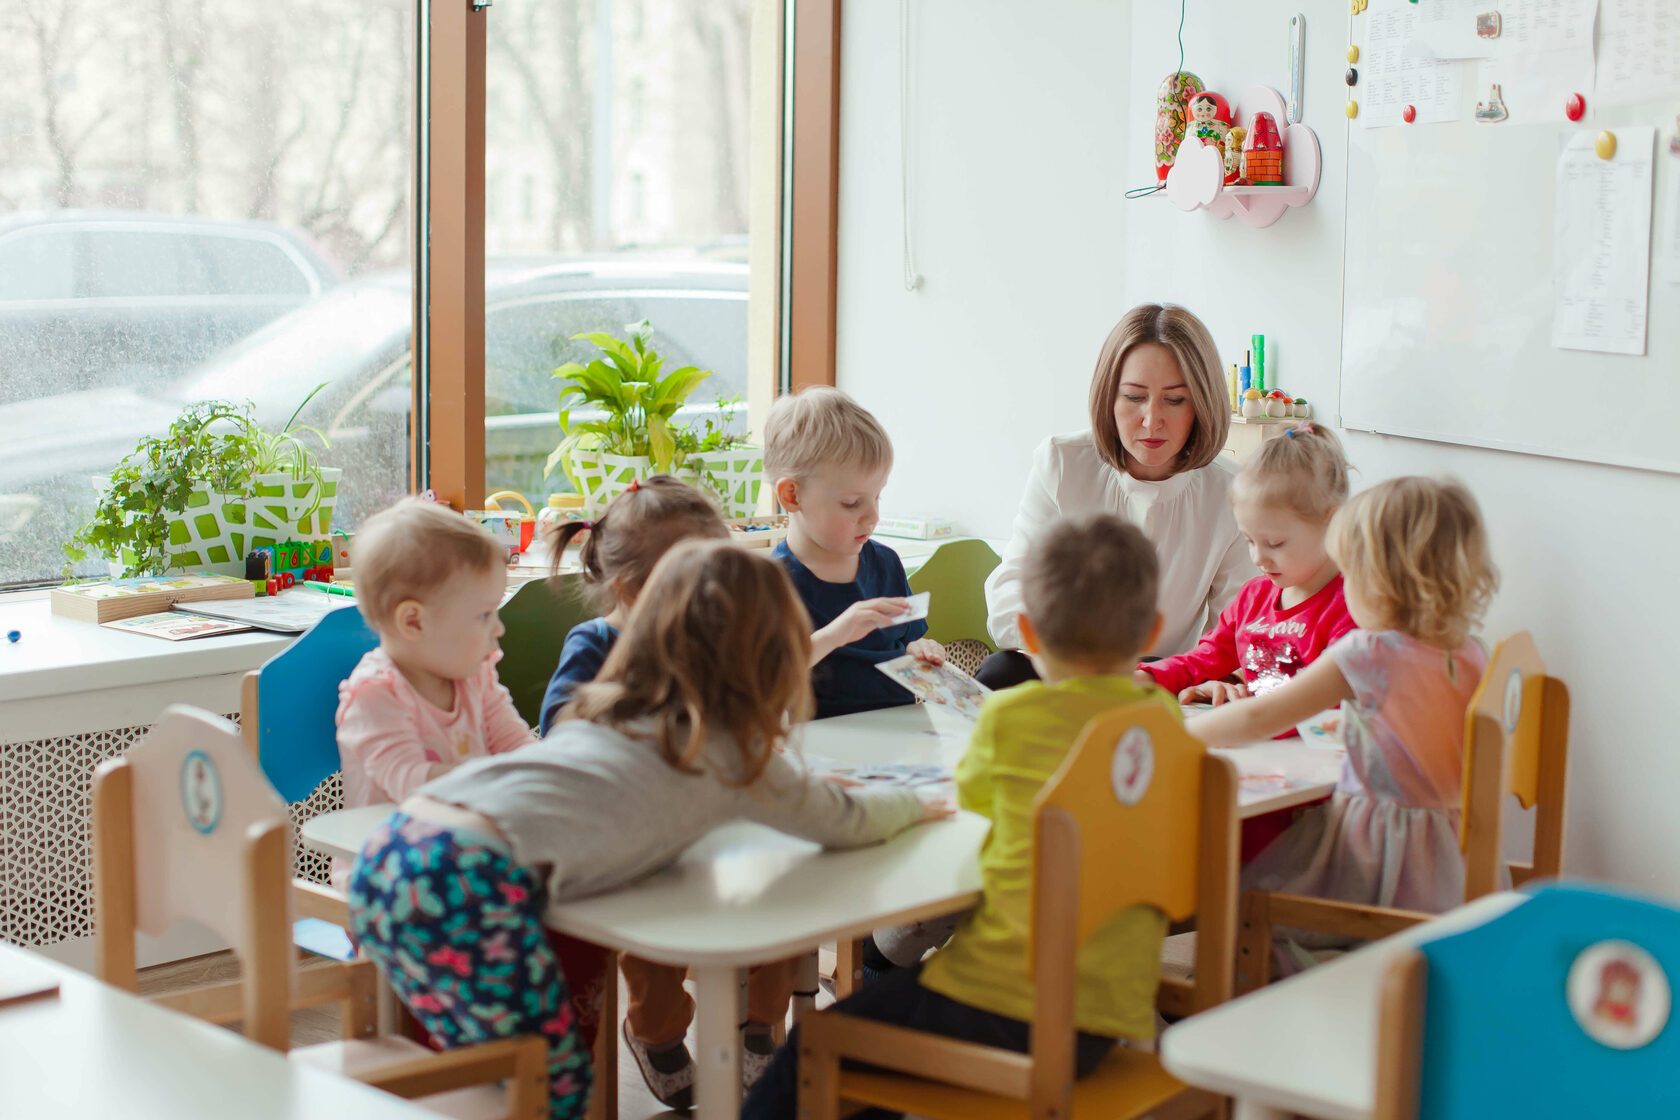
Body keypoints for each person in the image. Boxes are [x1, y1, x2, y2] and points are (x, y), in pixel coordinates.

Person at [348, 540, 948, 1120]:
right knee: (547, 1078)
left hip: (397, 852)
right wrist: (914, 805)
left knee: (478, 1067)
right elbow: (842, 821)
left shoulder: (608, 708)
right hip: (468, 878)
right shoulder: (732, 754)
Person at [743, 513, 1178, 1120]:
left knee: (813, 1049)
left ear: (1025, 630)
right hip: (1107, 1016)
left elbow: (971, 802)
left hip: (1000, 1005)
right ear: (1153, 630)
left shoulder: (1011, 716)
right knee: (880, 1070)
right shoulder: (1166, 724)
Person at [536, 476, 785, 1107]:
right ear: (631, 590)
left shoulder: (707, 640)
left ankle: (762, 1028)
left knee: (788, 895)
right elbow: (560, 731)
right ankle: (657, 1028)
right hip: (627, 837)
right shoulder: (595, 644)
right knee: (654, 937)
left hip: (707, 819)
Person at [1187, 477, 1500, 960]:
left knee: (1245, 902)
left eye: (1349, 575)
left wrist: (1175, 731)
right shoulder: (1472, 652)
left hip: (1379, 858)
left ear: (1378, 579)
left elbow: (1259, 719)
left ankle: (1258, 1007)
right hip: (1453, 858)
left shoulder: (1370, 651)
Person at [977, 303, 1254, 690]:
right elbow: (1012, 589)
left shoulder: (1232, 490)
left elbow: (1240, 622)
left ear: (1202, 403)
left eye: (1175, 400)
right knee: (999, 672)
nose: (1151, 419)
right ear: (1110, 396)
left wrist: (1214, 676)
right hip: (1064, 661)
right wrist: (1071, 656)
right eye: (1134, 397)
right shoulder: (1062, 462)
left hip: (1161, 675)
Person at [335, 496, 533, 885]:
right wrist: (501, 781)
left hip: (463, 855)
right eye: (484, 614)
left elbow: (516, 744)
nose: (499, 628)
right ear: (413, 621)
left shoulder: (475, 674)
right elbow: (412, 785)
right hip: (387, 882)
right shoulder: (375, 694)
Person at [1137, 424, 1356, 704]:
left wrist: (1242, 709)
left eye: (1275, 543)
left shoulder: (1352, 607)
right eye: (1249, 540)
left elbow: (1321, 702)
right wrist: (1147, 677)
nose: (1258, 558)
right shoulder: (1254, 597)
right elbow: (1202, 659)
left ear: (1332, 521)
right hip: (1254, 738)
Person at [764, 386, 946, 718]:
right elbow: (767, 677)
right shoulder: (772, 583)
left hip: (901, 731)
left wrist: (919, 650)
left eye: (878, 497)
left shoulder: (886, 563)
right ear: (791, 495)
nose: (873, 516)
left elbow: (903, 642)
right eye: (852, 503)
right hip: (822, 746)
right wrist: (836, 634)